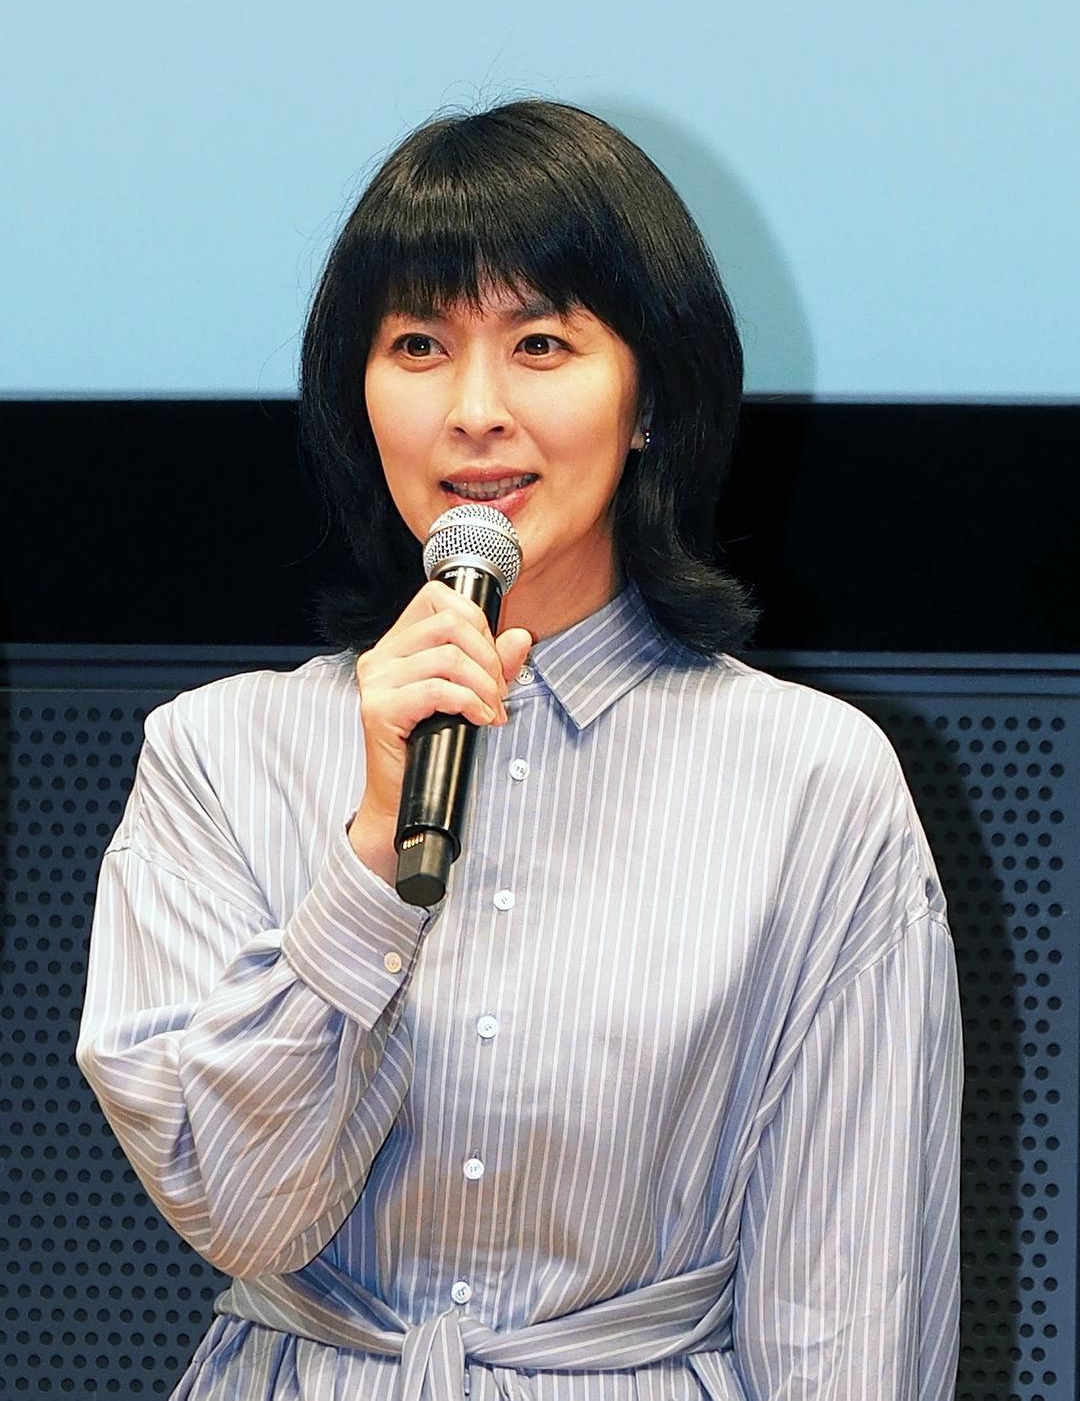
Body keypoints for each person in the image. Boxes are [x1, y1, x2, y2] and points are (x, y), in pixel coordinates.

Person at [76, 99, 962, 1400]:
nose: (476, 410)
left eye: (541, 344)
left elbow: (850, 1304)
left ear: (649, 395)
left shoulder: (815, 782)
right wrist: (370, 860)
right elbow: (247, 1214)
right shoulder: (213, 755)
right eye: (419, 345)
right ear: (357, 397)